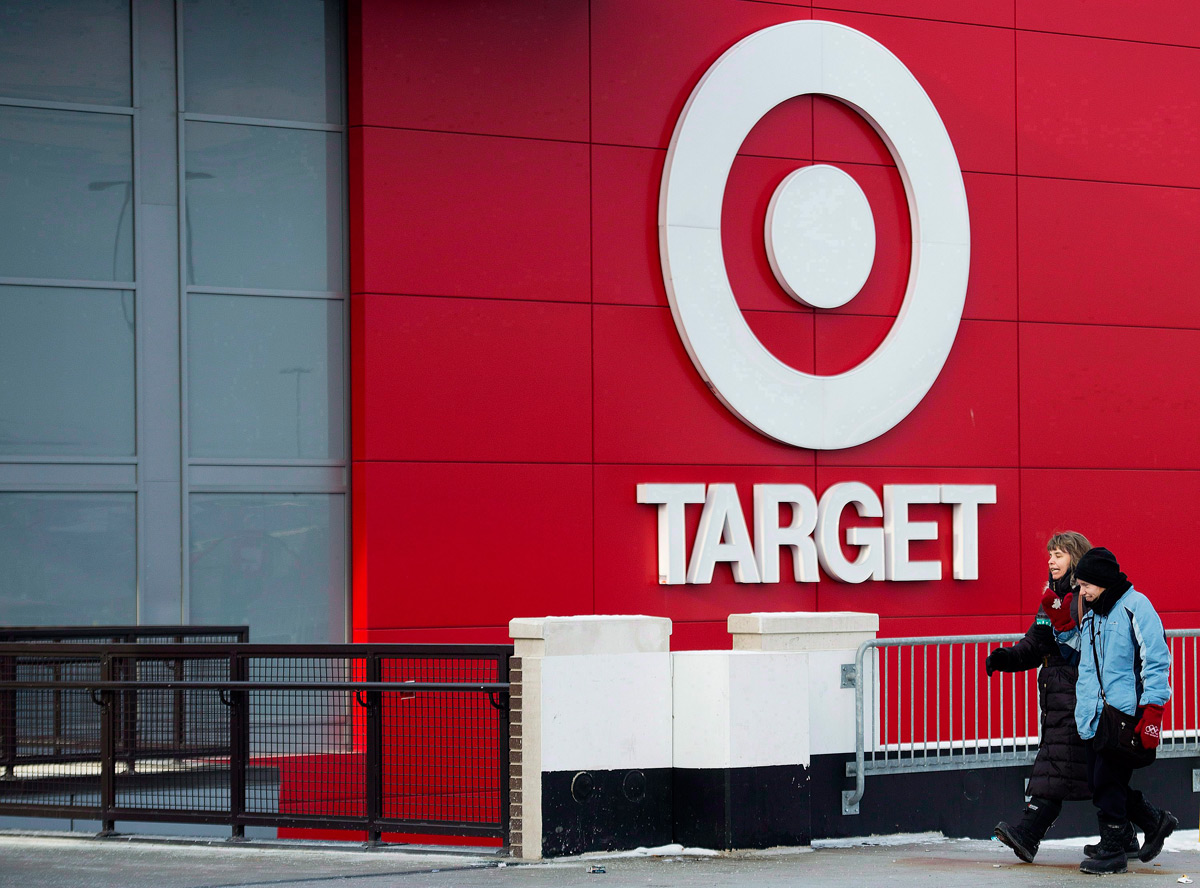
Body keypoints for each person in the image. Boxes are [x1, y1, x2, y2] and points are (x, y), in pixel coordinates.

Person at [1056, 546, 1177, 875]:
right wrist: (1058, 620)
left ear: (1102, 580)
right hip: (1094, 715)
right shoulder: (1094, 614)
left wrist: (1153, 714)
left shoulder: (1136, 607)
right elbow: (1074, 654)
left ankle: (1113, 851)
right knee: (1099, 782)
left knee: (1108, 782)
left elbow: (1156, 660)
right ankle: (1143, 827)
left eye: (1085, 586)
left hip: (1125, 714)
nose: (1082, 592)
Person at [984, 531, 1092, 862]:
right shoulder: (1052, 600)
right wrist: (1006, 658)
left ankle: (1028, 834)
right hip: (1055, 698)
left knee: (1054, 768)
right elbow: (1034, 644)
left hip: (1076, 696)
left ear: (1074, 558)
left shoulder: (1084, 599)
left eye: (1058, 555)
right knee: (1094, 774)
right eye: (1050, 555)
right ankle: (1136, 829)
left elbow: (1086, 646)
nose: (1050, 560)